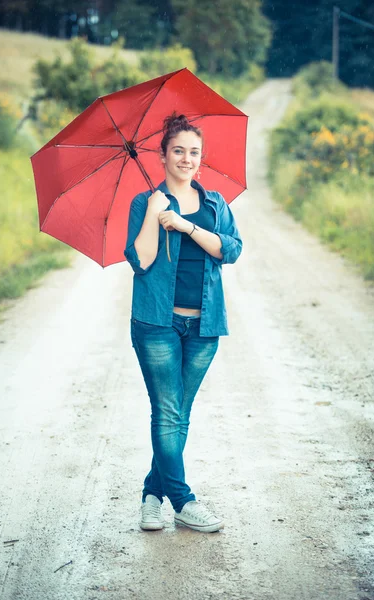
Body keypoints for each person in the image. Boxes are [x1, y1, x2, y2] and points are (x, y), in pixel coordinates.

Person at [124, 113, 242, 533]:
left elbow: (231, 250)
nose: (187, 159)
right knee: (168, 411)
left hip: (204, 326)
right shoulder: (145, 202)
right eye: (178, 151)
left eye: (194, 152)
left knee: (178, 414)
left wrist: (186, 225)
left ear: (201, 158)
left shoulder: (215, 205)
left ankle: (151, 495)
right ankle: (183, 500)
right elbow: (140, 261)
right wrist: (157, 212)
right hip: (157, 323)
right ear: (163, 155)